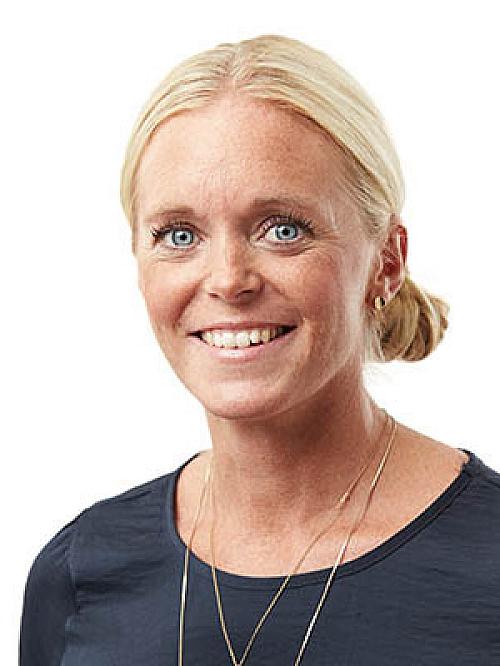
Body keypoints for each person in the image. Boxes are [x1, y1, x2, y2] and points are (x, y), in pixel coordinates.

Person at [19, 34, 500, 665]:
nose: (227, 280)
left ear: (386, 261)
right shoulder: (80, 573)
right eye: (179, 235)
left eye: (282, 229)